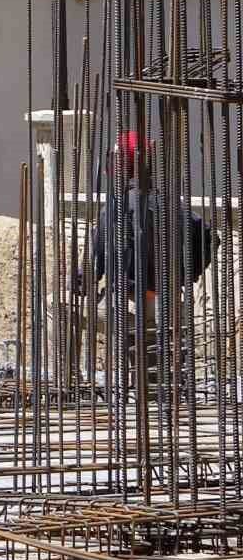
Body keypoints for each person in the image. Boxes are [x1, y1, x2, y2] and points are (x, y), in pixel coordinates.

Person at [76, 131, 217, 383]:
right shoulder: (175, 205)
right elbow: (210, 238)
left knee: (60, 309)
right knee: (155, 387)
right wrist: (186, 274)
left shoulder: (114, 209)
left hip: (126, 308)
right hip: (169, 308)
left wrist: (80, 285)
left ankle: (68, 381)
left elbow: (88, 273)